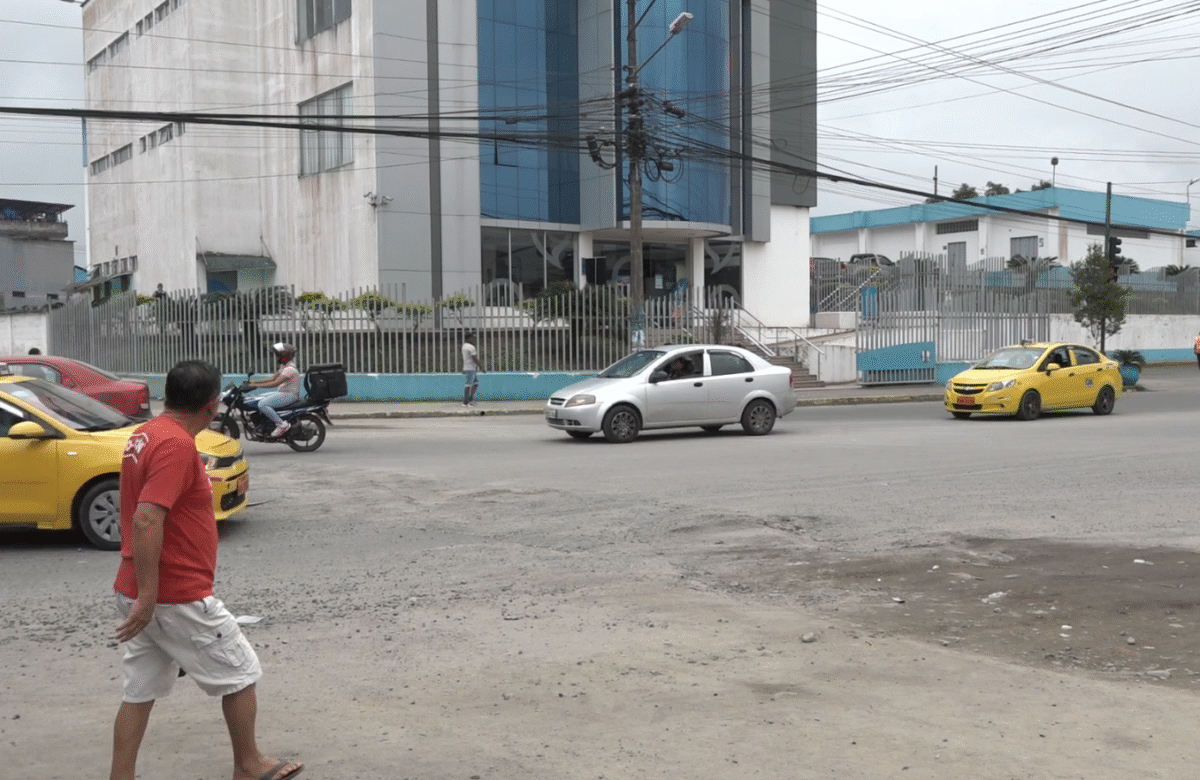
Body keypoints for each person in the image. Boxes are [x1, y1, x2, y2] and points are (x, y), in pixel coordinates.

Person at [110, 360, 302, 780]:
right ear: (212, 405)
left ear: (168, 396)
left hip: (146, 589)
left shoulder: (145, 434)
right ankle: (249, 765)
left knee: (140, 689)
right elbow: (146, 518)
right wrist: (147, 597)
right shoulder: (176, 445)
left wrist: (142, 597)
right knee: (241, 672)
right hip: (173, 593)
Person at [247, 342, 301, 438]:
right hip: (283, 393)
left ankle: (282, 425)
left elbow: (275, 383)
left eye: (279, 354)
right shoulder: (285, 366)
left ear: (286, 355)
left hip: (289, 396)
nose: (277, 357)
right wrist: (254, 382)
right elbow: (272, 378)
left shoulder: (290, 369)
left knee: (262, 404)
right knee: (258, 399)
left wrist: (256, 386)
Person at [462, 333, 483, 407]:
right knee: (468, 384)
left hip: (468, 367)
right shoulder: (471, 347)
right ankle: (465, 402)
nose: (472, 339)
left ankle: (470, 399)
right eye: (471, 338)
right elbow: (474, 358)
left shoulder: (464, 346)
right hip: (470, 368)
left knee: (476, 383)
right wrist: (480, 366)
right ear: (468, 338)